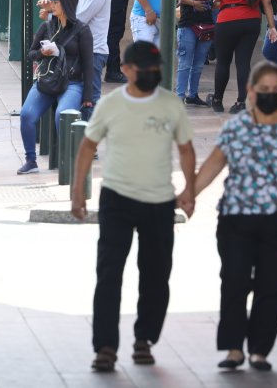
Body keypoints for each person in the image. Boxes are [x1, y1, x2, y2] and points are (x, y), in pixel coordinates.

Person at [183, 61, 277, 372]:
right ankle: (234, 348)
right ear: (250, 91)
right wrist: (189, 194)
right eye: (264, 90)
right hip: (237, 219)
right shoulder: (235, 127)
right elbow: (214, 164)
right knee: (234, 280)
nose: (270, 95)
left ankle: (260, 350)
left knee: (273, 286)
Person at [71, 41, 196, 373]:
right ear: (126, 69)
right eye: (145, 69)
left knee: (156, 275)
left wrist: (190, 189)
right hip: (117, 199)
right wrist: (77, 192)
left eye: (156, 69)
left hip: (159, 202)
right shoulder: (110, 105)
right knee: (109, 273)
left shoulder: (171, 105)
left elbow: (186, 149)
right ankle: (106, 348)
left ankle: (145, 340)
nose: (152, 74)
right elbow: (87, 146)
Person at [17, 0, 94, 175]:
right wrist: (43, 52)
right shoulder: (47, 26)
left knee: (63, 114)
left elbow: (88, 63)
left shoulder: (82, 29)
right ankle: (31, 160)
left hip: (72, 82)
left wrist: (88, 95)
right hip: (47, 80)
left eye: (55, 2)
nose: (52, 5)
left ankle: (68, 162)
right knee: (26, 114)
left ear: (66, 5)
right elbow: (31, 54)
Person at [208, 0, 277, 113]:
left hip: (228, 20)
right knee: (243, 62)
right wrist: (272, 26)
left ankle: (217, 100)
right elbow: (267, 3)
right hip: (252, 21)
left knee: (223, 62)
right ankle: (240, 102)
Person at [176, 0, 222, 105]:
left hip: (206, 25)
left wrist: (215, 4)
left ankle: (193, 94)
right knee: (185, 63)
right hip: (188, 24)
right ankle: (179, 95)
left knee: (198, 64)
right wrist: (193, 3)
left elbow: (215, 1)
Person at [75, 0, 111, 107]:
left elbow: (80, 18)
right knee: (83, 97)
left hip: (95, 51)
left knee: (91, 98)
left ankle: (93, 130)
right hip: (86, 50)